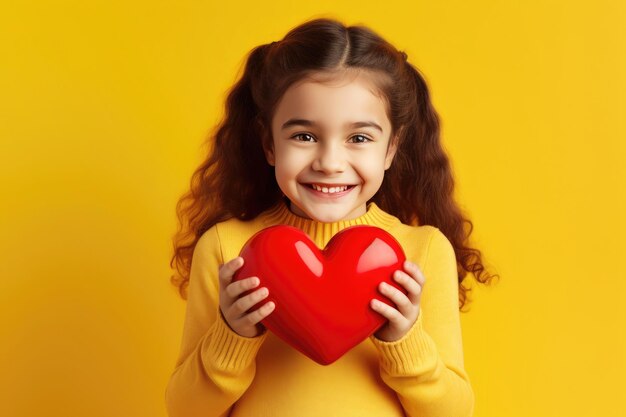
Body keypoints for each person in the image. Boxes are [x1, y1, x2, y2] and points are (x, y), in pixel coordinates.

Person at [165, 17, 497, 417]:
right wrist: (233, 335)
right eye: (304, 136)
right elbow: (185, 411)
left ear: (391, 149)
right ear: (269, 144)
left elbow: (454, 412)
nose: (330, 163)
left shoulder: (422, 251)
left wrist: (405, 340)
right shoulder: (227, 248)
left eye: (359, 138)